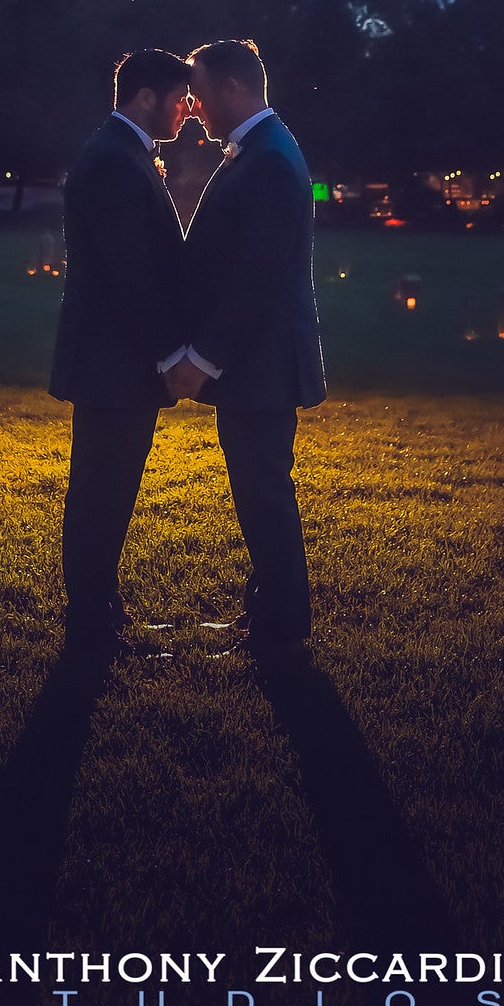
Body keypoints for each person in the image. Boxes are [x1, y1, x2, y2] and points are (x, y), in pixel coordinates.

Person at [162, 38, 326, 660]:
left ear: (232, 88)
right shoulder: (259, 151)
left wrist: (202, 359)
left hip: (262, 361)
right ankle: (269, 611)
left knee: (262, 490)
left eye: (200, 93)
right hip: (258, 360)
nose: (195, 107)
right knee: (258, 486)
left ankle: (281, 626)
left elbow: (258, 276)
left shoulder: (268, 160)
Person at [49, 48, 193, 654]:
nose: (187, 111)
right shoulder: (114, 161)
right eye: (180, 99)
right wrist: (169, 355)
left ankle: (101, 613)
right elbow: (129, 272)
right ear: (144, 98)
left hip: (115, 357)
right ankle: (93, 624)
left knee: (106, 489)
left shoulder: (123, 152)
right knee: (103, 491)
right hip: (114, 359)